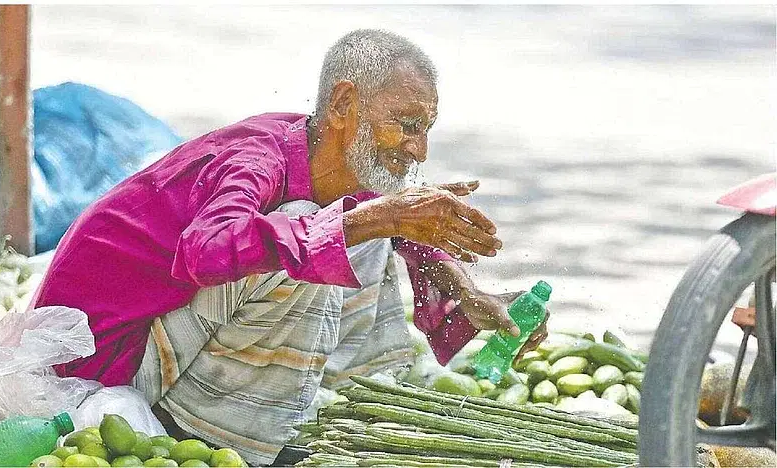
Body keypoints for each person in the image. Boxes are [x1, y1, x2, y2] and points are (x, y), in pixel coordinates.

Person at [32, 29, 548, 466]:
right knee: (325, 227)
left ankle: (361, 400)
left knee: (358, 223)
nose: (420, 149)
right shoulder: (255, 160)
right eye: (407, 126)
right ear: (344, 104)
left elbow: (387, 219)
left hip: (159, 337)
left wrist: (463, 292)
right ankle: (227, 439)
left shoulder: (321, 151)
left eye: (426, 129)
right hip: (100, 358)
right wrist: (370, 219)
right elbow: (206, 251)